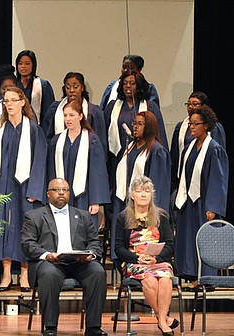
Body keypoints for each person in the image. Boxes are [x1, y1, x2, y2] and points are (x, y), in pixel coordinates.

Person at [21, 178, 107, 336]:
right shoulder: (33, 216)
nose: (61, 192)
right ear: (48, 194)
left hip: (79, 263)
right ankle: (51, 327)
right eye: (56, 190)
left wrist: (90, 255)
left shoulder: (83, 216)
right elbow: (28, 244)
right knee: (49, 274)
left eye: (65, 190)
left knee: (98, 272)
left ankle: (94, 327)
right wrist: (47, 255)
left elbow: (95, 242)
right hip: (51, 262)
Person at [0, 86, 47, 292]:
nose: (9, 104)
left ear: (22, 102)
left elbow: (40, 162)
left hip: (26, 186)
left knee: (25, 227)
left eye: (13, 100)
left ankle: (25, 274)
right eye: (6, 101)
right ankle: (7, 274)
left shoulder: (33, 129)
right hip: (2, 185)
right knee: (2, 228)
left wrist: (35, 190)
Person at [114, 176, 178, 336]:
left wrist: (156, 258)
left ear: (152, 195)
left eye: (147, 191)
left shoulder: (161, 216)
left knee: (164, 277)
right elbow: (118, 248)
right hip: (134, 261)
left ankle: (161, 319)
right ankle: (163, 320)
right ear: (132, 195)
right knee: (149, 279)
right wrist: (137, 258)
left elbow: (170, 244)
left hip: (158, 261)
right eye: (139, 191)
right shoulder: (123, 217)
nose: (143, 195)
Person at [173, 106, 228, 282]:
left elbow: (217, 179)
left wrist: (212, 206)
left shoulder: (214, 149)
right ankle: (190, 275)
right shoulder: (189, 147)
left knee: (203, 239)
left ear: (206, 125)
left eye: (196, 124)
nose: (192, 127)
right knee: (188, 238)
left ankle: (205, 278)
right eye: (190, 124)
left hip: (205, 203)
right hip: (189, 202)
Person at [110, 111, 170, 261]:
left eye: (140, 124)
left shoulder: (156, 151)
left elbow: (157, 186)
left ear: (149, 127)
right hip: (129, 202)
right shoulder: (131, 147)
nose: (135, 127)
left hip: (145, 209)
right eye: (134, 123)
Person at [46, 99, 110, 228]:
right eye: (65, 115)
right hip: (62, 195)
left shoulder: (92, 140)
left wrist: (95, 201)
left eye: (72, 115)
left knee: (83, 231)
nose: (68, 119)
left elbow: (98, 172)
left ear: (80, 116)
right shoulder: (57, 140)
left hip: (84, 196)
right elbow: (51, 170)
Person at [104, 72, 167, 178]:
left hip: (143, 157)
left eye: (132, 83)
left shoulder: (149, 107)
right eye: (125, 83)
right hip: (116, 157)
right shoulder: (112, 107)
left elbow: (159, 135)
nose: (128, 86)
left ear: (139, 86)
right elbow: (104, 135)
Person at [169, 91, 226, 192]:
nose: (190, 106)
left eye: (195, 104)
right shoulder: (181, 127)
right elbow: (175, 155)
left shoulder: (214, 129)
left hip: (203, 178)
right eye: (188, 104)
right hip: (183, 177)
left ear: (204, 106)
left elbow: (217, 157)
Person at [42, 72, 107, 153]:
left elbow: (101, 141)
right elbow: (47, 137)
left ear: (82, 88)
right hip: (59, 154)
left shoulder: (94, 111)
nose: (71, 90)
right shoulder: (55, 109)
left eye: (76, 87)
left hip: (86, 156)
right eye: (68, 87)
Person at [14, 50, 55, 122]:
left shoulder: (43, 85)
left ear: (33, 65)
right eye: (20, 64)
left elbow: (49, 112)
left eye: (27, 64)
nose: (23, 66)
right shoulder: (13, 85)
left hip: (38, 127)